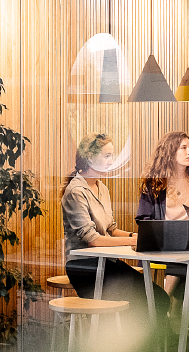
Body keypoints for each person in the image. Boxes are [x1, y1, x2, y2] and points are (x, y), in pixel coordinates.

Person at [61, 131, 165, 308]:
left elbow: (110, 229)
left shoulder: (102, 188)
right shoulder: (76, 191)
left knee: (159, 298)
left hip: (106, 262)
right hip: (86, 268)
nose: (111, 161)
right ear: (90, 158)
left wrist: (136, 236)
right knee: (151, 301)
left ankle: (161, 335)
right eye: (107, 156)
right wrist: (134, 240)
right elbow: (93, 240)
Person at [137, 131, 189, 295]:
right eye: (183, 148)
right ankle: (168, 303)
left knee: (187, 255)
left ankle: (166, 307)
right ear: (170, 151)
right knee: (184, 258)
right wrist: (165, 231)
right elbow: (143, 218)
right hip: (161, 242)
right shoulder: (154, 180)